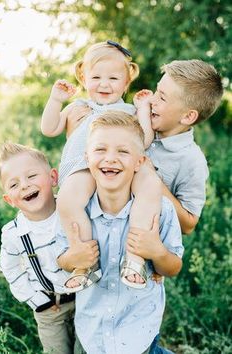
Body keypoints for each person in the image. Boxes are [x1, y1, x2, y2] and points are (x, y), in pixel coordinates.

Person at [54, 111, 184, 354]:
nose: (110, 159)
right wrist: (73, 259)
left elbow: (173, 267)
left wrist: (156, 251)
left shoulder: (159, 209)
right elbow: (60, 258)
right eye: (100, 150)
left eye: (123, 152)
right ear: (87, 157)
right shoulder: (74, 210)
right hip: (91, 331)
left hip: (138, 331)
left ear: (139, 162)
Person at [41, 40, 161, 291]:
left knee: (149, 182)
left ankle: (136, 256)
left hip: (122, 168)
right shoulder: (78, 107)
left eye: (114, 79)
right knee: (67, 200)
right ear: (83, 77)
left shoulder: (127, 111)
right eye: (96, 76)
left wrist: (142, 109)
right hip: (82, 167)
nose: (104, 84)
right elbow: (49, 129)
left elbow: (145, 140)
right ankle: (85, 260)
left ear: (126, 82)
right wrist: (56, 100)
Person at [0, 142, 97, 354]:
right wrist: (37, 300)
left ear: (53, 178)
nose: (24, 185)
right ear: (9, 200)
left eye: (31, 176)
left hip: (86, 297)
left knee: (88, 348)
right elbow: (10, 268)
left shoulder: (75, 210)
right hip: (50, 309)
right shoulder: (14, 233)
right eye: (14, 185)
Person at [134, 59, 223, 235]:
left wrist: (152, 180)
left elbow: (188, 225)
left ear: (188, 116)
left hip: (141, 247)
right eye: (156, 90)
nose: (153, 99)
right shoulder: (136, 121)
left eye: (162, 97)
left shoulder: (192, 161)